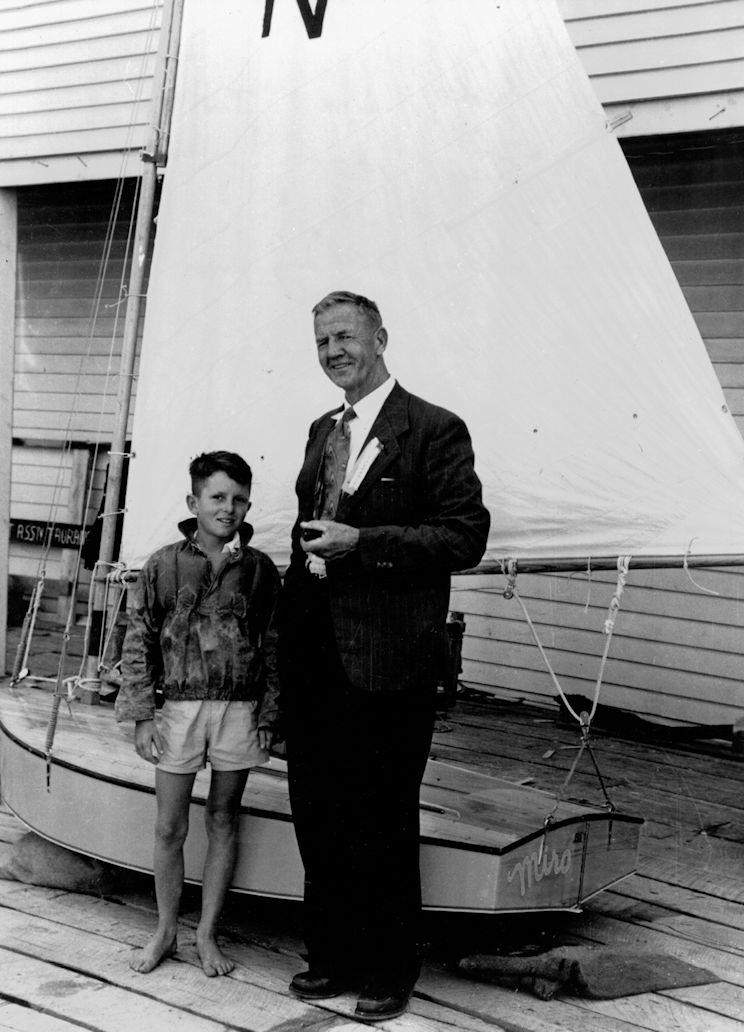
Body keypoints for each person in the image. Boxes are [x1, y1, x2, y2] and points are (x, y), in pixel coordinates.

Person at [279, 291, 490, 1021]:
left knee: (383, 815)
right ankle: (331, 957)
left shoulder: (433, 430)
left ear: (381, 338)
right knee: (319, 812)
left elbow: (464, 537)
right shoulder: (321, 430)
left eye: (346, 337)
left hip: (389, 662)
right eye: (323, 342)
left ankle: (388, 970)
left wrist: (362, 544)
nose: (334, 351)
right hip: (316, 660)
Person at [116, 451, 281, 977]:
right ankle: (165, 930)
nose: (228, 509)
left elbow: (276, 647)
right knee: (169, 827)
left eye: (238, 499)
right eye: (217, 498)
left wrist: (270, 715)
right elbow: (138, 638)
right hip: (179, 711)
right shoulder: (163, 564)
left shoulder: (258, 571)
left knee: (224, 818)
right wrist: (143, 715)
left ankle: (207, 933)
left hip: (238, 710)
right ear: (194, 502)